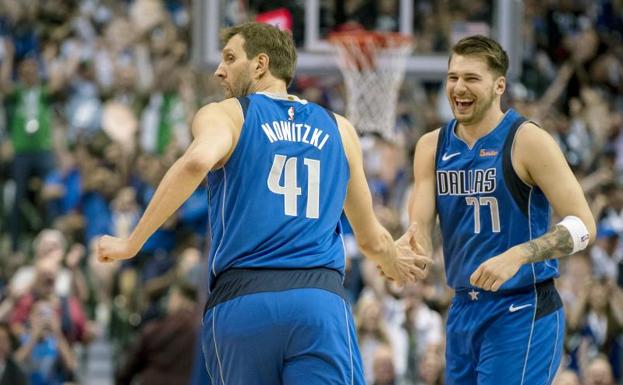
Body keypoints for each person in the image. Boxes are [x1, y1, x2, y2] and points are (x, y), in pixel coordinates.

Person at [97, 22, 429, 385]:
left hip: (243, 302)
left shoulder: (227, 114)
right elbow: (370, 240)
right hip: (317, 301)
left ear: (260, 64)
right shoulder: (340, 129)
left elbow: (195, 162)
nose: (218, 69)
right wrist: (393, 261)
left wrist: (132, 241)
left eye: (229, 58)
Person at [409, 35, 596, 385]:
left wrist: (519, 255)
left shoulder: (527, 140)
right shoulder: (430, 146)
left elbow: (584, 226)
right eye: (453, 77)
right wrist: (407, 248)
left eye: (471, 78)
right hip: (464, 307)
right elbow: (419, 225)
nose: (459, 88)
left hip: (522, 307)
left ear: (499, 85)